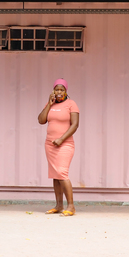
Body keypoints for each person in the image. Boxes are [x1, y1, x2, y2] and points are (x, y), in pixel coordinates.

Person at [37, 79, 79, 216]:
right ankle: (59, 205)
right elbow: (41, 120)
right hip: (50, 144)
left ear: (66, 91)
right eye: (56, 89)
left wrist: (61, 139)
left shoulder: (71, 104)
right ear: (53, 91)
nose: (59, 92)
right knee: (55, 175)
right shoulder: (51, 104)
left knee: (61, 173)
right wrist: (49, 105)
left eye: (61, 90)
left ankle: (71, 206)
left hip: (65, 144)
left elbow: (75, 125)